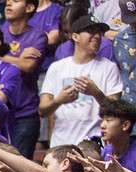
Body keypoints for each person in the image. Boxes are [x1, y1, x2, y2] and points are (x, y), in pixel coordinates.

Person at [39, 16, 123, 147]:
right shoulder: (57, 68)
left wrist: (96, 93)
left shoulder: (109, 67)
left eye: (99, 33)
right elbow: (42, 111)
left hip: (94, 145)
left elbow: (116, 111)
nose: (97, 36)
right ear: (75, 37)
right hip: (60, 144)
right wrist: (58, 101)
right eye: (91, 31)